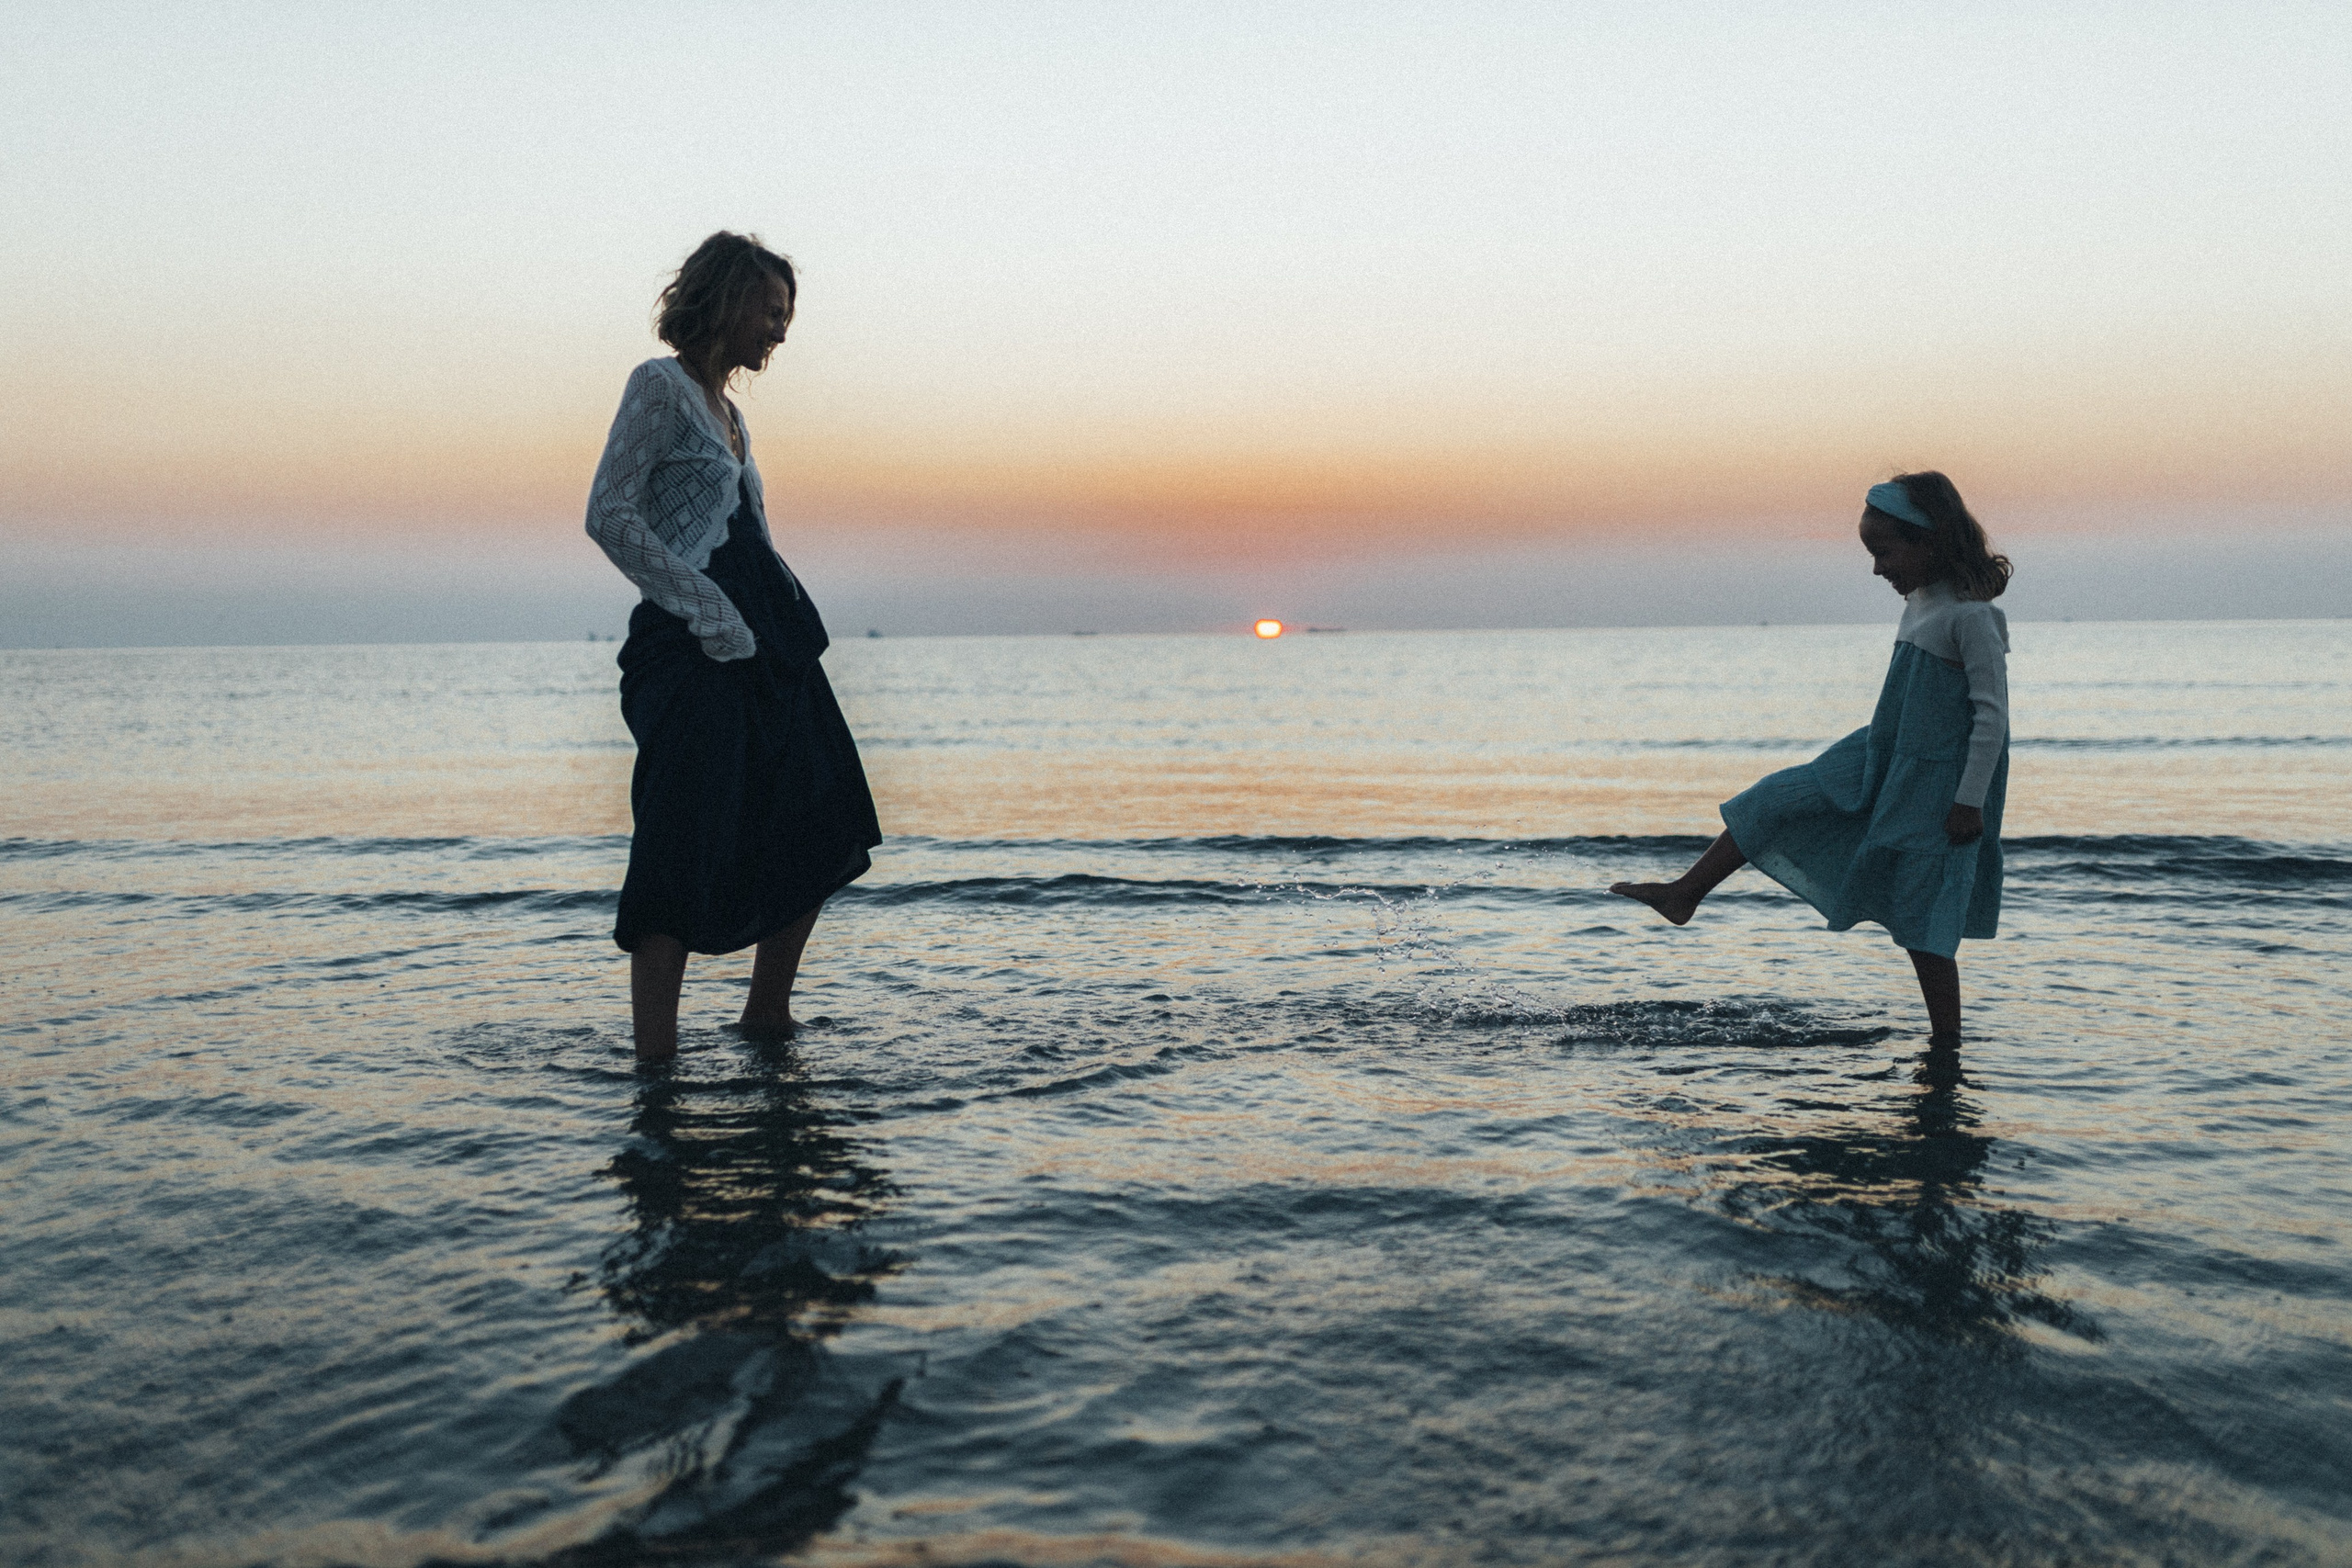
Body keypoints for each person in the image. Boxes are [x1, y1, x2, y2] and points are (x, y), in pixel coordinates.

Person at [584, 231, 881, 1064]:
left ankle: (766, 1014)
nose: (782, 331)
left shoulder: (733, 413)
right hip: (690, 650)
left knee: (823, 814)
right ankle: (656, 1060)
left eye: (788, 315)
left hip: (770, 648)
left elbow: (746, 532)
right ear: (727, 298)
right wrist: (709, 612)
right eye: (774, 311)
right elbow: (609, 514)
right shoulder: (659, 387)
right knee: (681, 836)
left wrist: (769, 616)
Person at [1610, 472, 2012, 1047]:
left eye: (1885, 552)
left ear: (1930, 541)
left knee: (1924, 917)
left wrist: (1967, 801)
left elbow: (1991, 718)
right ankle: (1686, 892)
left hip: (1938, 781)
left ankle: (1947, 1041)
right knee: (1776, 798)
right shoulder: (1920, 604)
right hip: (1881, 751)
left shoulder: (1973, 618)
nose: (1878, 569)